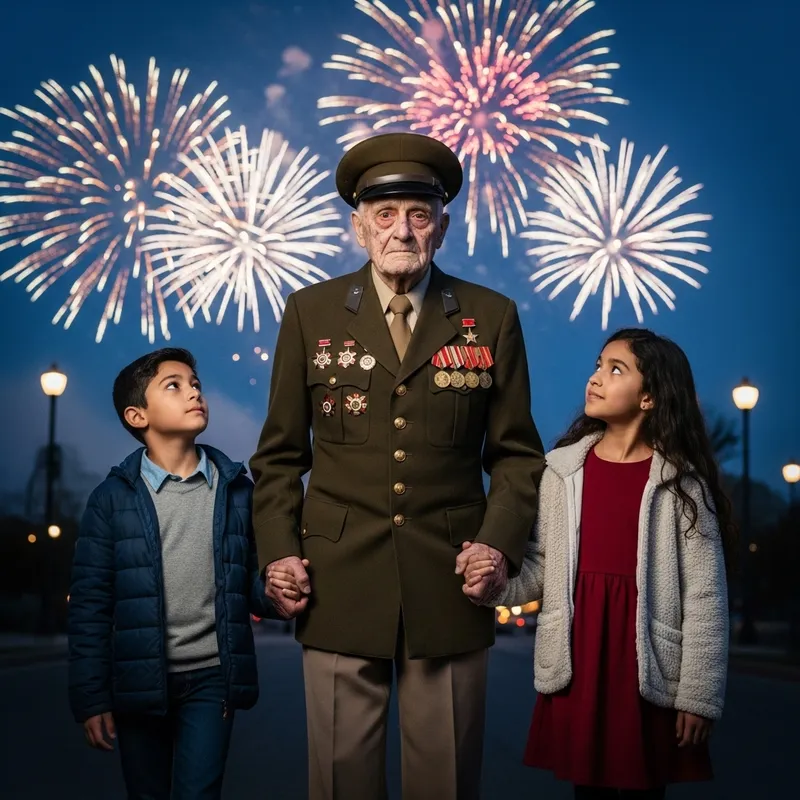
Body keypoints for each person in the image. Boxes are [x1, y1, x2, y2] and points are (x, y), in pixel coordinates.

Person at [251, 131, 546, 800]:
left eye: (419, 214)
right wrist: (278, 554)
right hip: (336, 580)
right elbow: (278, 458)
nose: (402, 230)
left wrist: (498, 547)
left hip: (450, 583)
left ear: (442, 226)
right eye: (384, 215)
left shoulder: (490, 317)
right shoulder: (310, 313)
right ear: (359, 227)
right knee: (339, 782)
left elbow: (516, 456)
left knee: (444, 782)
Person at [462, 328, 734, 799]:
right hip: (581, 659)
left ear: (649, 398)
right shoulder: (561, 472)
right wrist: (496, 586)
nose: (596, 378)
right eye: (597, 365)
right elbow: (542, 566)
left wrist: (699, 696)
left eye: (615, 370)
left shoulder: (683, 485)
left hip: (645, 668)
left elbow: (706, 598)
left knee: (642, 788)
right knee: (588, 791)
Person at [67, 348, 281, 800]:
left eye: (196, 384)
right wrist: (92, 697)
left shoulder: (237, 489)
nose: (194, 392)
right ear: (137, 415)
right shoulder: (111, 499)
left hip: (212, 677)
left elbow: (250, 583)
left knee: (197, 793)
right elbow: (90, 606)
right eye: (174, 385)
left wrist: (276, 589)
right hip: (138, 683)